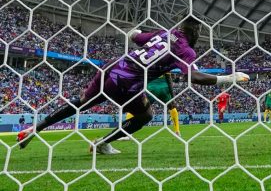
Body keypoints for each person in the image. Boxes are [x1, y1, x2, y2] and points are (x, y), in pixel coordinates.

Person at [16, 17, 250, 154]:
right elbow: (194, 77)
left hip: (112, 67)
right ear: (196, 33)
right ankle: (103, 143)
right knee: (146, 114)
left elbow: (134, 36)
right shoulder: (185, 49)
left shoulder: (163, 33)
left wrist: (136, 32)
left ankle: (35, 128)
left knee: (83, 103)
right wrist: (230, 78)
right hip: (127, 81)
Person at [121, 73, 181, 139]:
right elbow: (169, 80)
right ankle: (177, 131)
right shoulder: (165, 64)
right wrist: (173, 97)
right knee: (172, 108)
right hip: (164, 89)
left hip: (152, 89)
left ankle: (127, 134)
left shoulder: (148, 64)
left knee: (135, 107)